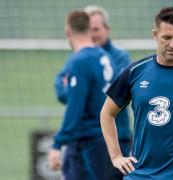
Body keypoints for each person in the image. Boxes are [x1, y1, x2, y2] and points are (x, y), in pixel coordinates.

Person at [100, 7, 173, 179]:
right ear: (155, 35)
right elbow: (107, 113)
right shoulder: (135, 71)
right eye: (167, 37)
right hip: (139, 174)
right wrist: (116, 156)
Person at [48, 10, 117, 180]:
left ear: (68, 32)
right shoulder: (104, 56)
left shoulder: (79, 60)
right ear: (88, 29)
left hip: (87, 143)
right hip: (106, 138)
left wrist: (57, 144)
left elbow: (75, 107)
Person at [84, 5, 132, 179]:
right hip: (87, 139)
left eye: (95, 29)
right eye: (87, 30)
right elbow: (62, 90)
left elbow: (111, 91)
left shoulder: (120, 57)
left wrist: (83, 85)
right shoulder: (77, 57)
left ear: (107, 29)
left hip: (117, 139)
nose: (92, 34)